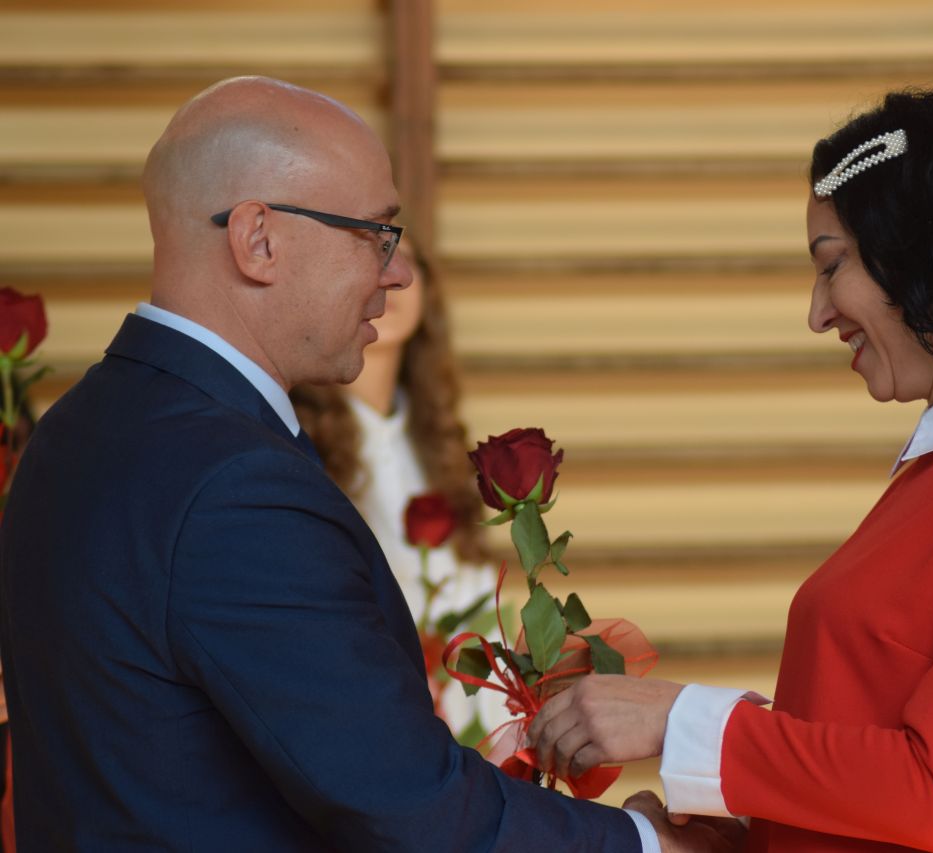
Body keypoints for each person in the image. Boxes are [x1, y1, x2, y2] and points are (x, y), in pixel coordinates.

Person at [0, 76, 723, 852]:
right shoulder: (235, 484)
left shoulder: (76, 430)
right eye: (374, 234)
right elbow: (407, 805)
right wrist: (644, 842)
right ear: (258, 240)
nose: (399, 272)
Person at [529, 88, 933, 852]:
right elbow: (876, 785)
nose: (818, 313)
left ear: (932, 253)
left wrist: (680, 719)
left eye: (833, 265)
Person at [290, 242, 504, 737]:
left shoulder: (442, 447)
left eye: (400, 256)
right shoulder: (295, 448)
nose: (386, 276)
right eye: (366, 255)